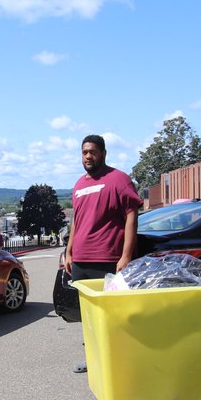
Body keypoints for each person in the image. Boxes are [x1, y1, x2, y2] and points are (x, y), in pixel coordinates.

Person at [63, 134, 142, 373]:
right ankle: (94, 357)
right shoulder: (78, 185)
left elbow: (132, 215)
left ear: (103, 153)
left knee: (113, 314)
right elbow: (77, 220)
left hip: (108, 258)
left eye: (93, 152)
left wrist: (126, 255)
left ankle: (119, 358)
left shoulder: (118, 179)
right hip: (81, 259)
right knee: (88, 314)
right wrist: (68, 251)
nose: (88, 156)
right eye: (84, 152)